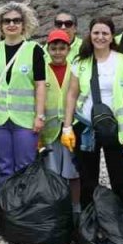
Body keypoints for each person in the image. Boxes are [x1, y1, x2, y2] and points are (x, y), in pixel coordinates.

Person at [60, 17, 123, 212]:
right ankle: (89, 222)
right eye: (96, 33)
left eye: (105, 33)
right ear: (90, 34)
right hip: (86, 125)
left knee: (122, 177)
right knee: (88, 178)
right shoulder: (80, 62)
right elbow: (72, 94)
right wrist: (67, 126)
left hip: (117, 127)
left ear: (112, 36)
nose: (100, 37)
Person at [0, 2, 47, 184]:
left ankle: (24, 206)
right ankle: (6, 206)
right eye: (7, 21)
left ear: (23, 24)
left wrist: (40, 115)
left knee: (25, 165)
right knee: (4, 166)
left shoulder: (34, 50)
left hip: (25, 120)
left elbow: (40, 85)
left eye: (16, 20)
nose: (11, 24)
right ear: (0, 25)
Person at [41, 29, 80, 210]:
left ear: (68, 49)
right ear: (48, 49)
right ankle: (53, 207)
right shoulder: (41, 69)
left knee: (73, 171)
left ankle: (75, 207)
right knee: (51, 170)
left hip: (70, 128)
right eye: (54, 48)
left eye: (62, 48)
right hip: (48, 129)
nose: (58, 52)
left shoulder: (75, 69)